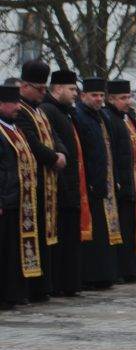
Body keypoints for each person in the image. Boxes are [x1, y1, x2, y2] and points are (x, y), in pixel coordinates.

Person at [16, 60, 67, 301]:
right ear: (25, 86)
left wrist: (61, 153)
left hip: (49, 183)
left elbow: (54, 136)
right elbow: (31, 142)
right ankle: (33, 287)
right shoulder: (21, 111)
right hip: (33, 183)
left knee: (48, 236)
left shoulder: (39, 110)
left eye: (45, 89)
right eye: (39, 89)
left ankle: (44, 285)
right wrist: (52, 158)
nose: (43, 93)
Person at [74, 78, 122, 290]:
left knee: (104, 233)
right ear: (83, 96)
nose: (99, 99)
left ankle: (105, 274)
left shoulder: (102, 116)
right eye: (94, 95)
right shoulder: (79, 116)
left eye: (101, 96)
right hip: (91, 183)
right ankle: (92, 276)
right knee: (94, 233)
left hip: (106, 180)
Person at [38, 70, 83, 296]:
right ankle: (60, 284)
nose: (76, 94)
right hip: (60, 184)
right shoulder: (49, 111)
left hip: (72, 183)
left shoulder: (65, 112)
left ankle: (68, 283)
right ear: (57, 89)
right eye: (72, 89)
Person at [0, 85, 38, 309]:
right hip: (6, 200)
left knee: (13, 253)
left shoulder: (14, 129)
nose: (18, 108)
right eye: (13, 103)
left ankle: (13, 294)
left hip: (20, 201)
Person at [105, 79, 136, 283]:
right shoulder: (109, 118)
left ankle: (131, 267)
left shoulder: (127, 117)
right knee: (121, 228)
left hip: (133, 181)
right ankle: (121, 269)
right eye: (122, 98)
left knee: (130, 228)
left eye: (128, 97)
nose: (127, 101)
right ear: (110, 99)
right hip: (120, 182)